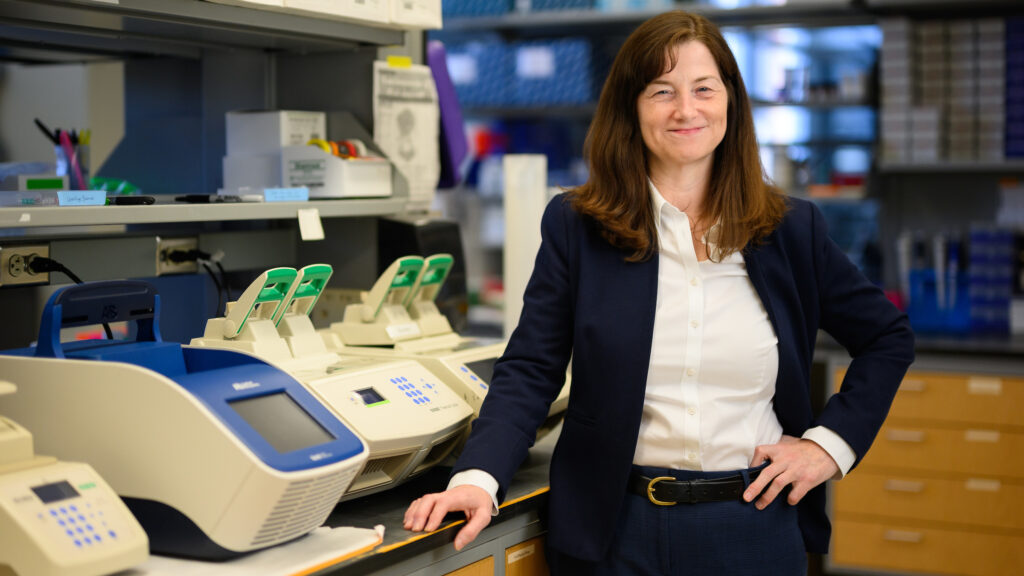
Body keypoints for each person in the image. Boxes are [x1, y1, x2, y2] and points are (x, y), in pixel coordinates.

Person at [404, 10, 914, 575]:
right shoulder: (578, 225)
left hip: (754, 526)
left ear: (731, 103)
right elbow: (531, 367)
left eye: (703, 89)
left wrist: (828, 446)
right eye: (661, 91)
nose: (686, 109)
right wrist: (478, 478)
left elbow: (886, 337)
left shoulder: (791, 229)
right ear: (631, 108)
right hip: (615, 531)